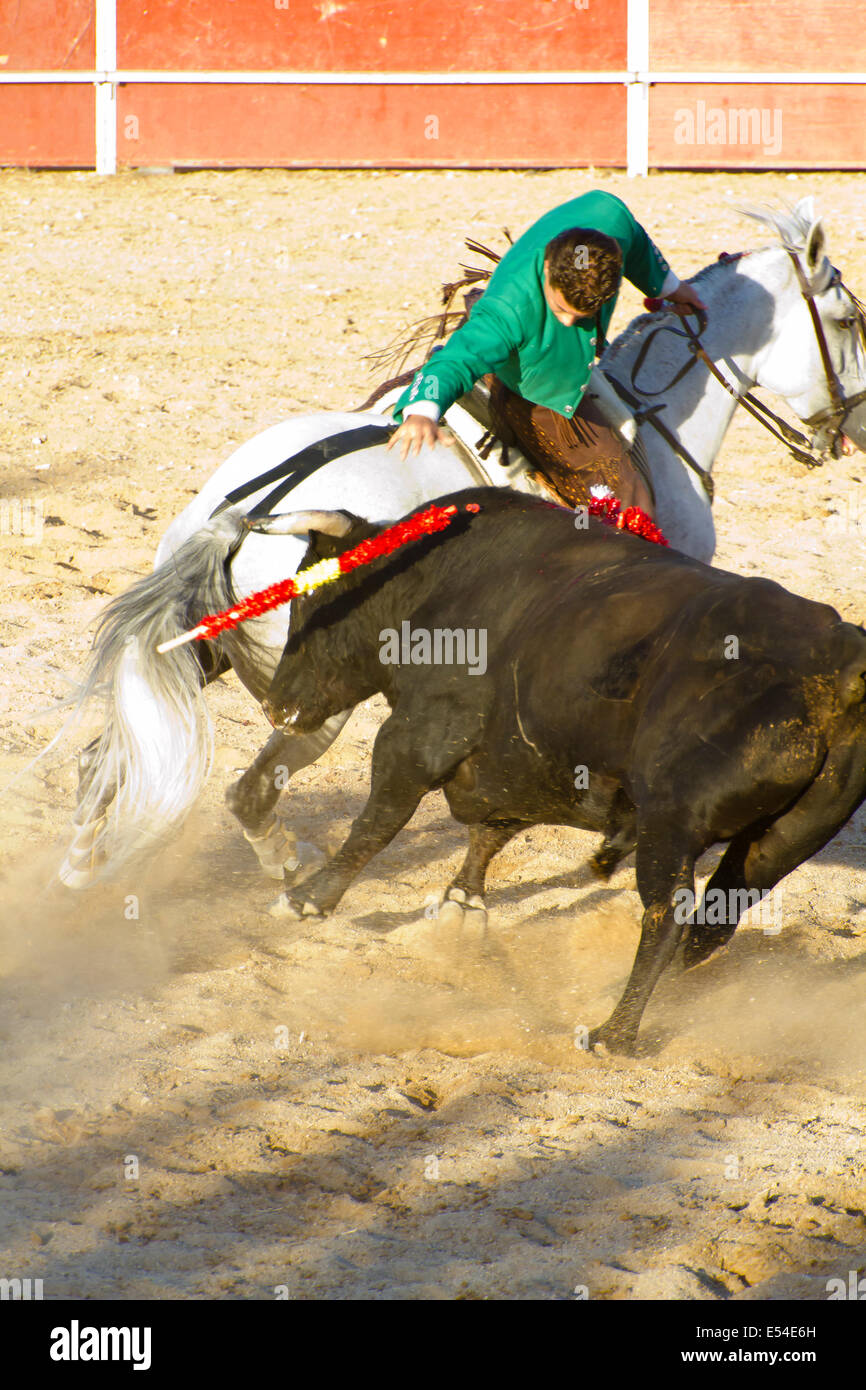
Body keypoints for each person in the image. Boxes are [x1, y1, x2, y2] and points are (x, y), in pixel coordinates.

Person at [388, 189, 706, 513]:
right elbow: (456, 359)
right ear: (549, 267)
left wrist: (674, 290)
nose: (568, 322)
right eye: (560, 308)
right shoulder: (508, 311)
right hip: (535, 384)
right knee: (620, 495)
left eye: (580, 316)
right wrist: (422, 410)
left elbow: (635, 245)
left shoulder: (609, 217)